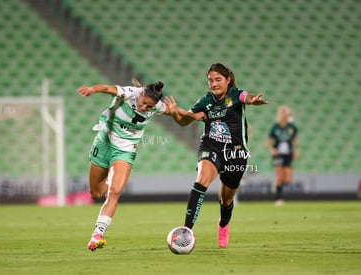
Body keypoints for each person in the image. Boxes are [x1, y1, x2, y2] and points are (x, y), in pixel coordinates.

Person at [165, 63, 268, 248]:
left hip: (235, 153)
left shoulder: (236, 95)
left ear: (228, 80)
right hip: (211, 146)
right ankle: (186, 230)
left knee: (226, 199)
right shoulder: (205, 101)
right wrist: (174, 114)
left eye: (218, 79)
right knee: (202, 179)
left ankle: (223, 224)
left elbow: (248, 97)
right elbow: (184, 121)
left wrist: (254, 100)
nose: (213, 84)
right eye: (210, 80)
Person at [78, 80, 181, 251]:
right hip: (103, 143)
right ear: (140, 94)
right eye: (144, 104)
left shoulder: (156, 106)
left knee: (115, 191)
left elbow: (174, 112)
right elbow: (106, 88)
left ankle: (97, 234)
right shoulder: (129, 93)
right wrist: (91, 90)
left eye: (149, 107)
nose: (145, 108)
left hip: (125, 150)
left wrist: (185, 113)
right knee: (95, 193)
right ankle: (110, 185)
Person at [266, 105, 299, 206]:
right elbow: (268, 141)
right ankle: (278, 198)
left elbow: (294, 140)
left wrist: (296, 151)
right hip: (278, 154)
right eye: (281, 112)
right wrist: (271, 149)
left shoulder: (292, 127)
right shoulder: (275, 127)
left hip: (288, 154)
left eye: (285, 112)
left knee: (287, 179)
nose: (283, 114)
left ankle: (276, 185)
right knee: (280, 176)